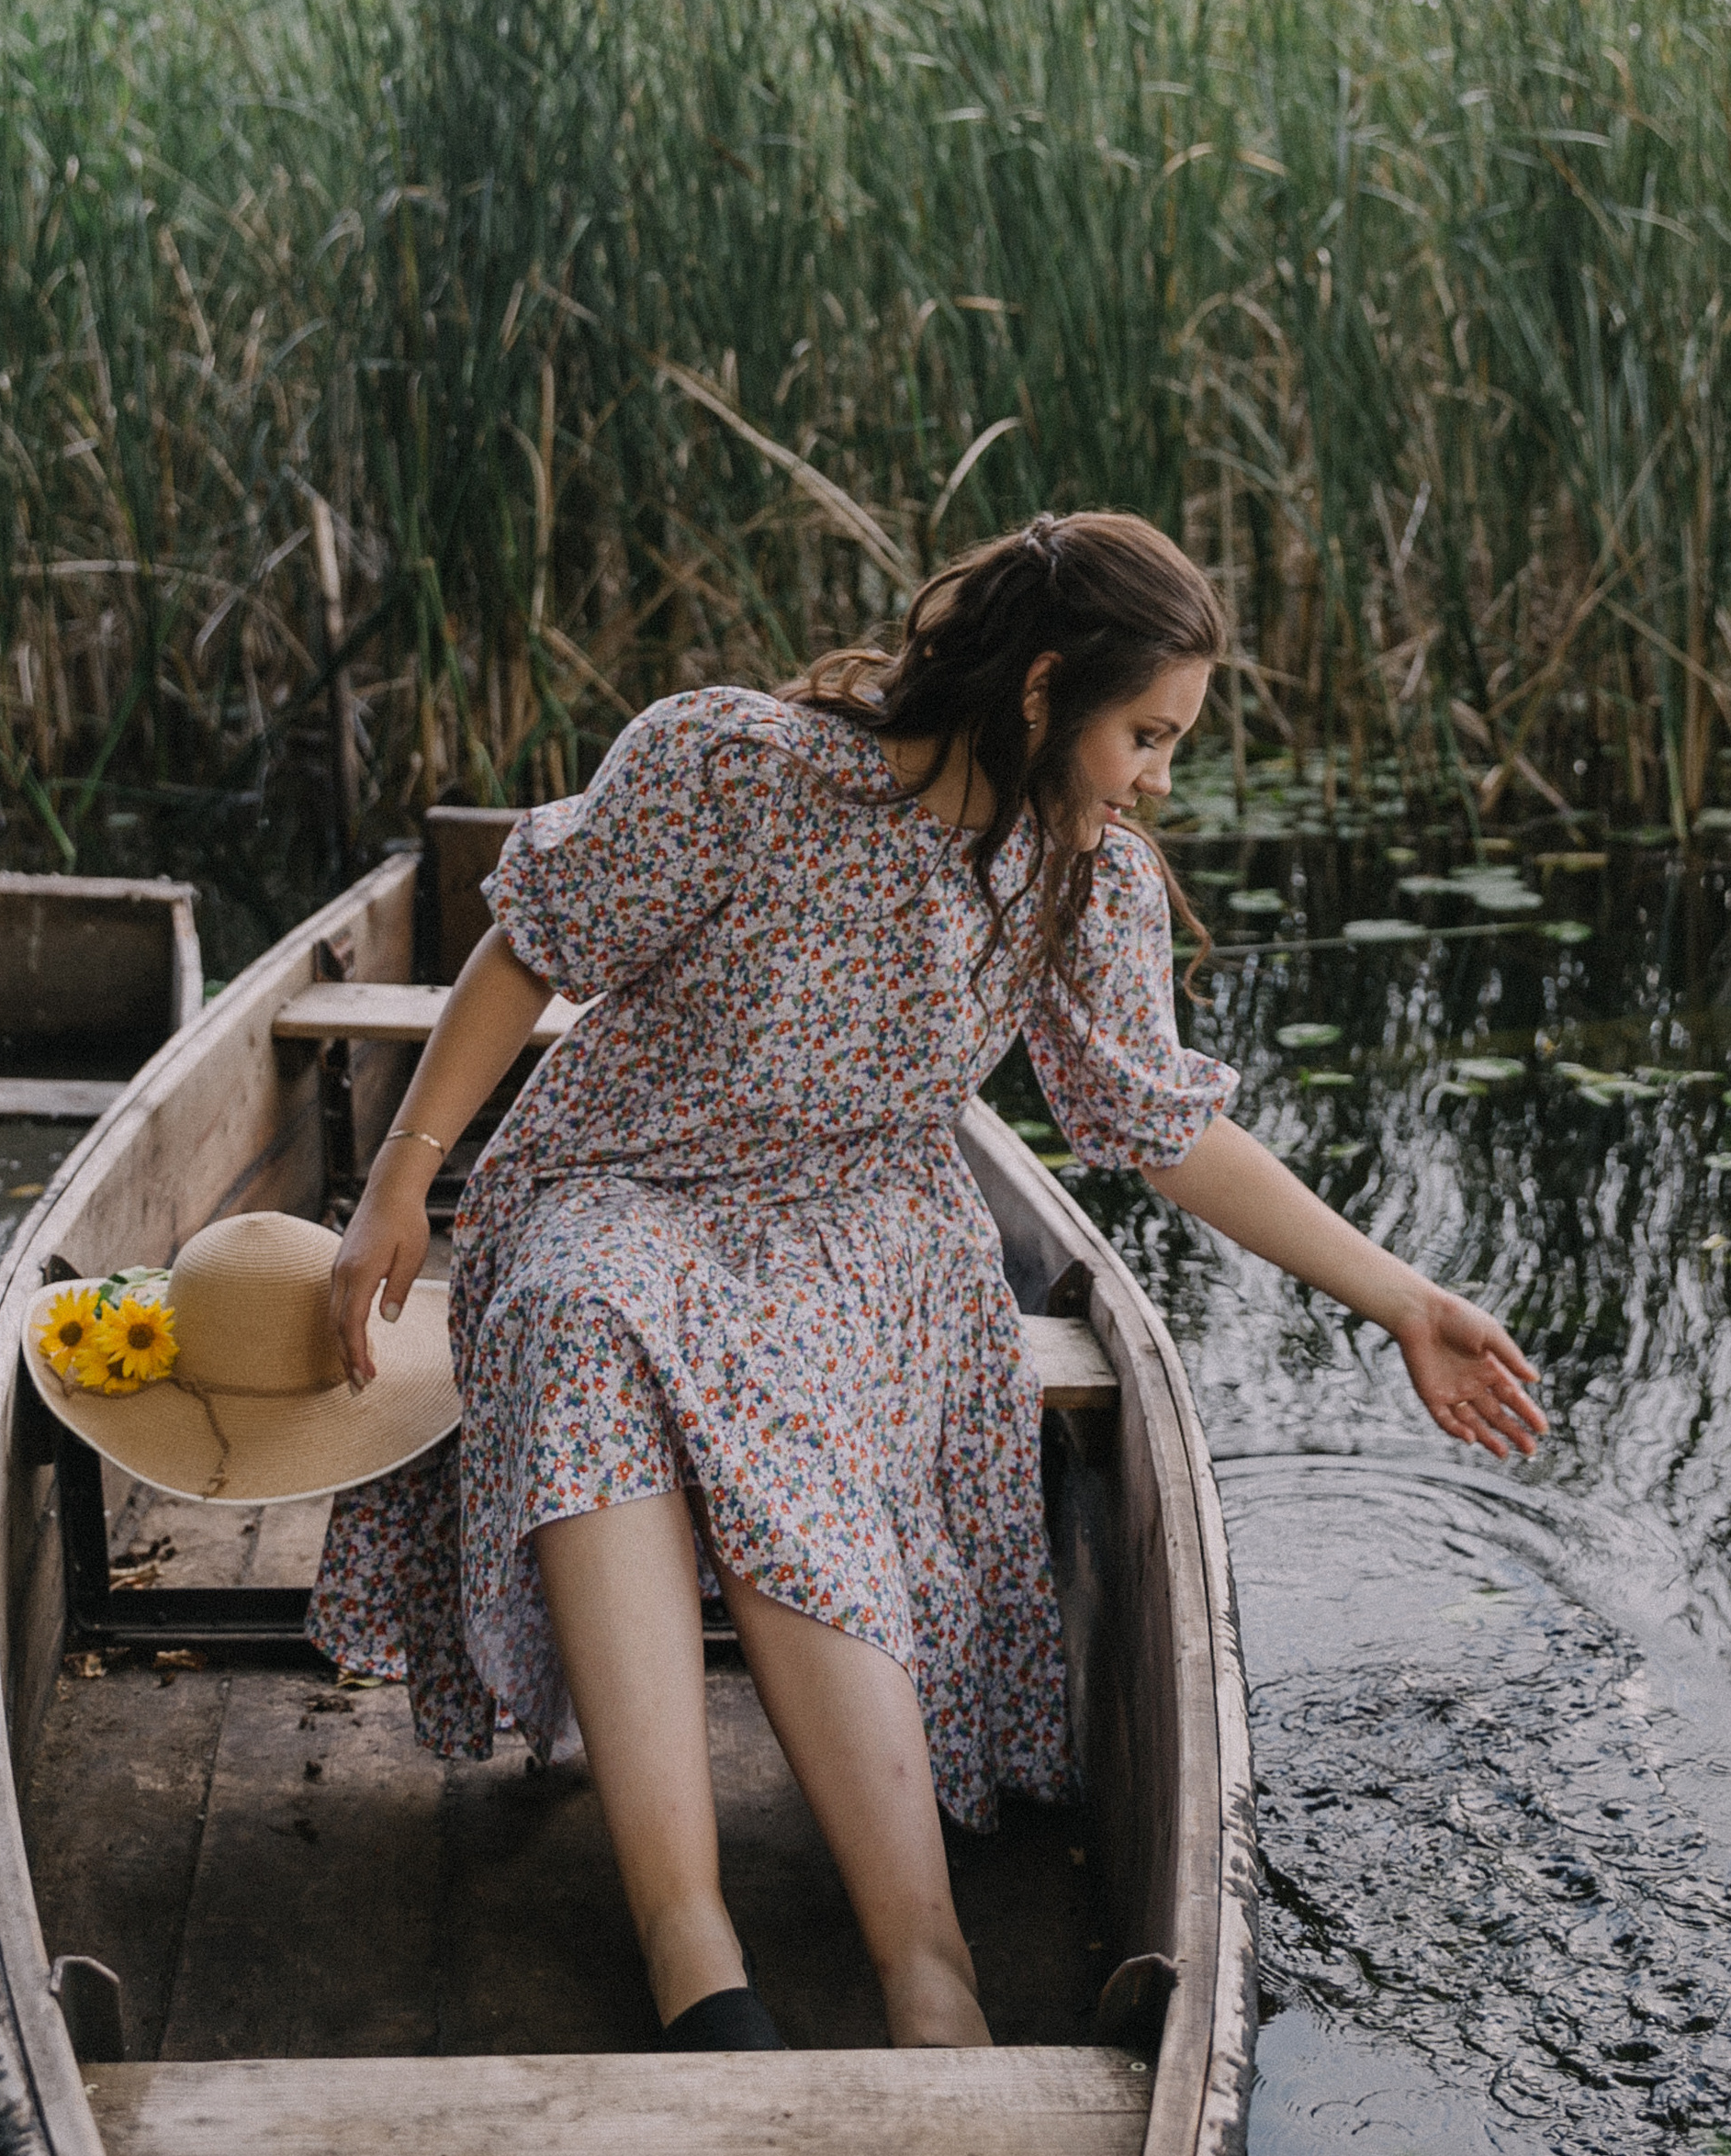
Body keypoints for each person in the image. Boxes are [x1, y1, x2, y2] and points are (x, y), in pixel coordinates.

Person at [318, 511, 1547, 2054]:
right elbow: (532, 948)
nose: (1162, 775)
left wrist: (1401, 1299)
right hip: (621, 1177)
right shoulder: (734, 765)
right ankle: (692, 1951)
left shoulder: (1080, 878)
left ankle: (929, 1972)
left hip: (863, 1225)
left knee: (787, 1418)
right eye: (1147, 734)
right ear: (1042, 693)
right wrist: (397, 1182)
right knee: (578, 1314)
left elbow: (1161, 1130)